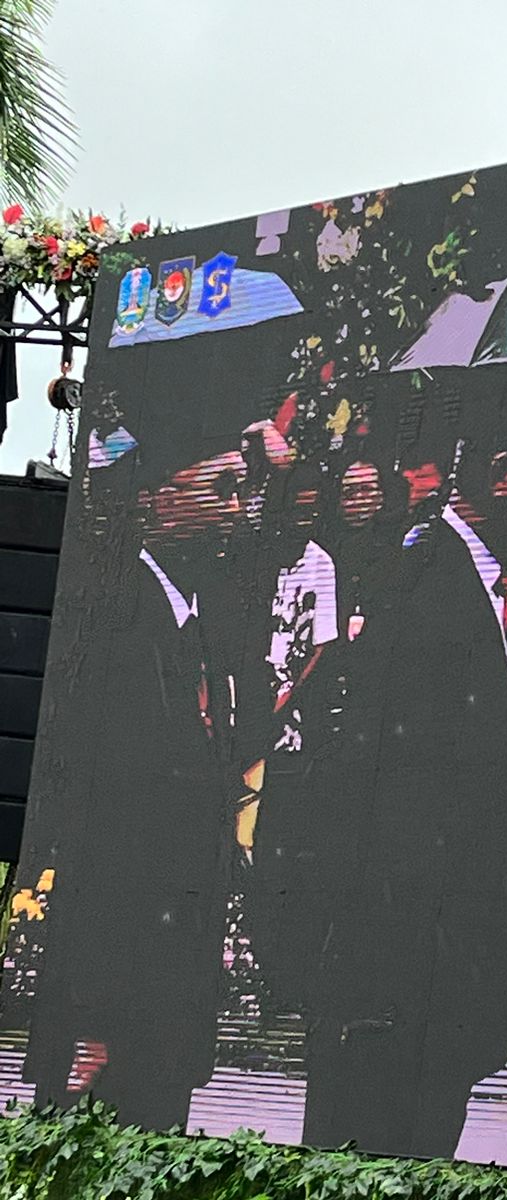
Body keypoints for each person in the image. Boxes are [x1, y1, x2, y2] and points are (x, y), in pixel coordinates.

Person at [303, 414, 507, 1158]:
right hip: (405, 955)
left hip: (461, 951)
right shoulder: (418, 574)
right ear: (495, 466)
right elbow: (379, 771)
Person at [21, 434, 246, 1130]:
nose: (240, 510)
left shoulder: (189, 621)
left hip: (158, 1015)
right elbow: (110, 832)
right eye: (221, 490)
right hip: (116, 1020)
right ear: (155, 498)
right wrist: (96, 1022)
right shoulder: (121, 621)